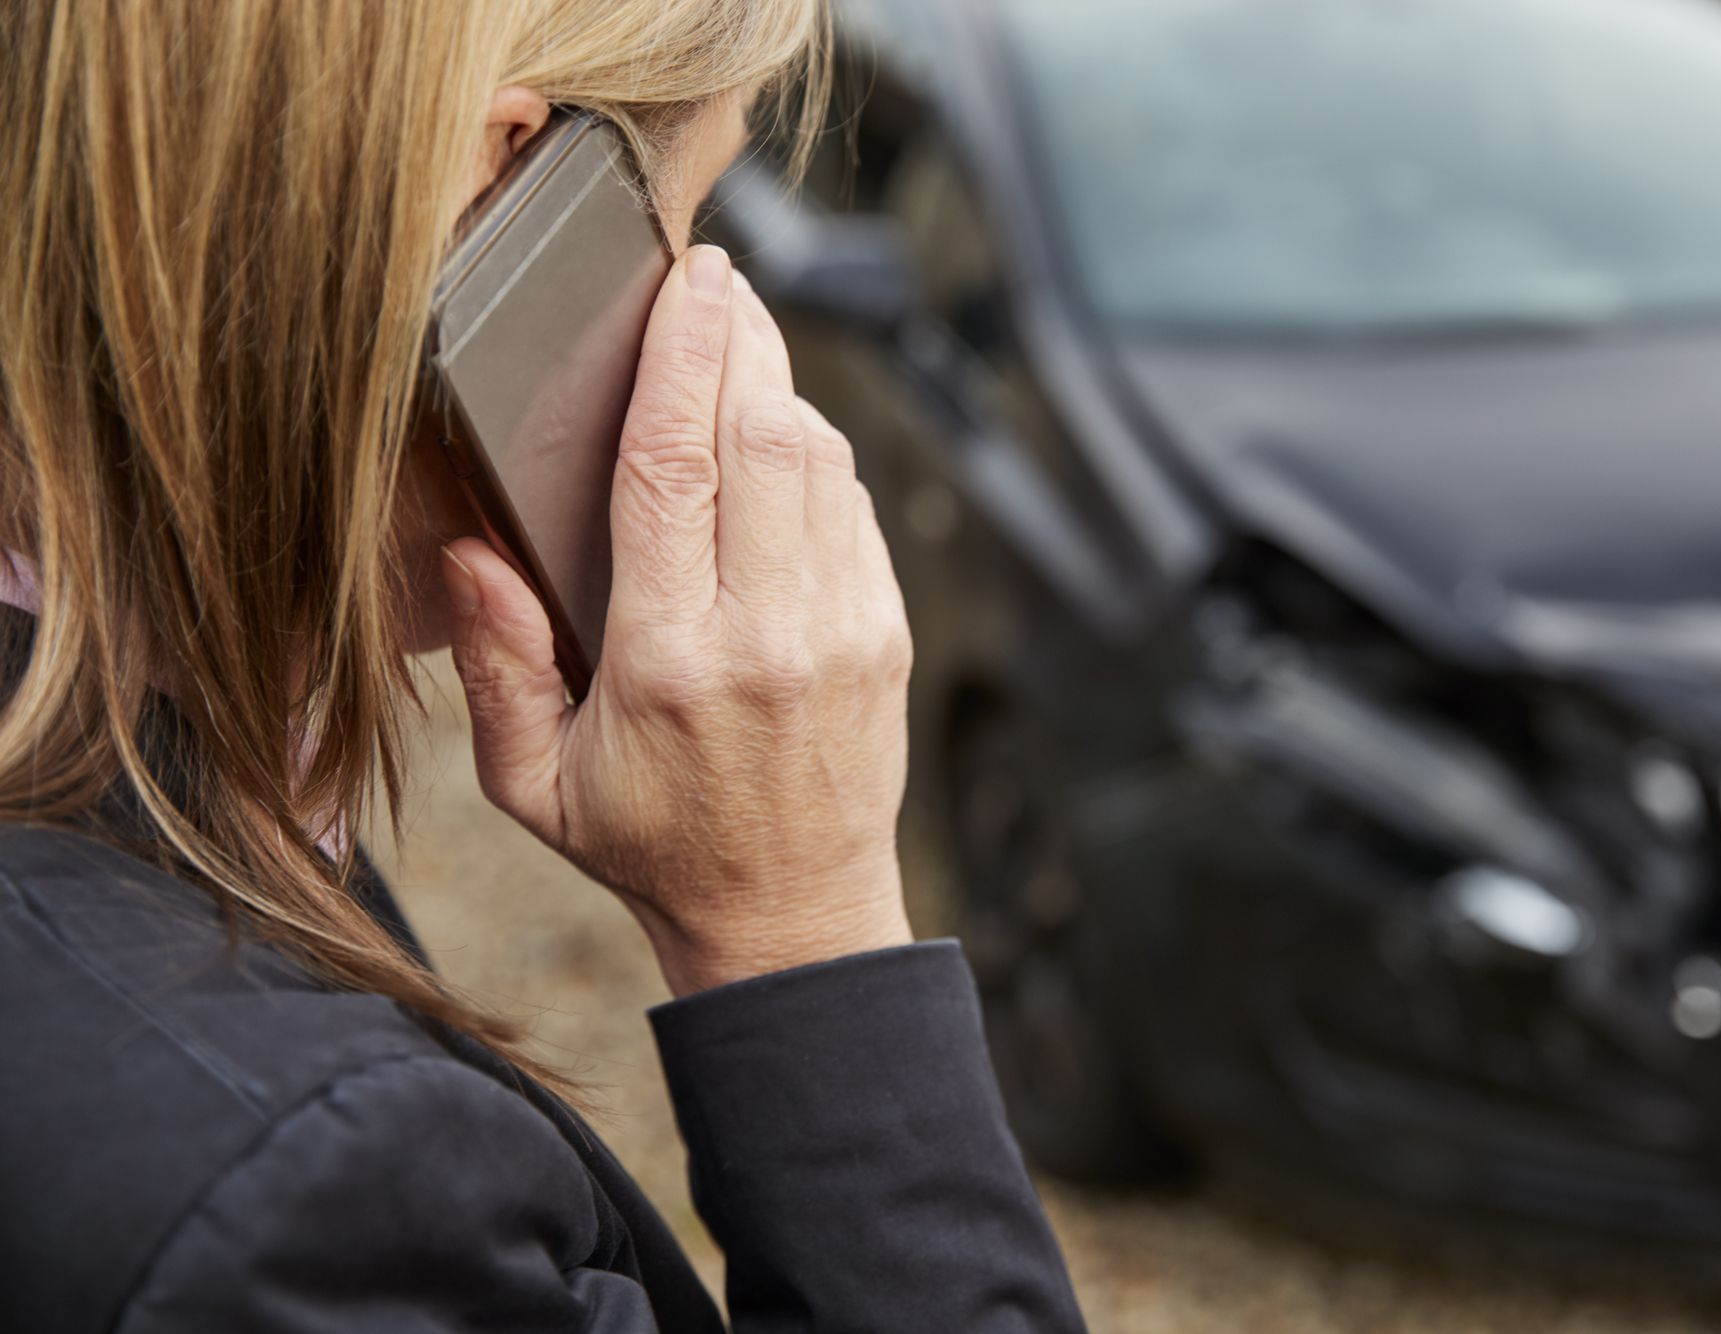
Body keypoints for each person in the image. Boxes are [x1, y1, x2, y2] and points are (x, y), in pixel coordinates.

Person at [0, 1, 1087, 1330]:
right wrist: (802, 926)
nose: (699, 294)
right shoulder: (299, 1206)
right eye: (680, 220)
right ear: (490, 186)